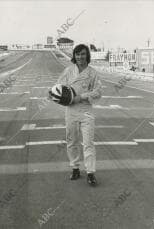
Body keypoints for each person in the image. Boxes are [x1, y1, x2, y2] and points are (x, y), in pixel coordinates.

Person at [56, 44, 102, 186]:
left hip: (86, 110)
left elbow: (98, 92)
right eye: (77, 54)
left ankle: (90, 172)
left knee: (88, 142)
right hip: (70, 110)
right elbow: (58, 87)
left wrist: (81, 96)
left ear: (87, 55)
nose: (80, 57)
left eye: (82, 54)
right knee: (72, 140)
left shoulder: (93, 73)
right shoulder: (68, 71)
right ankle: (75, 168)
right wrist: (64, 98)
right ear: (74, 56)